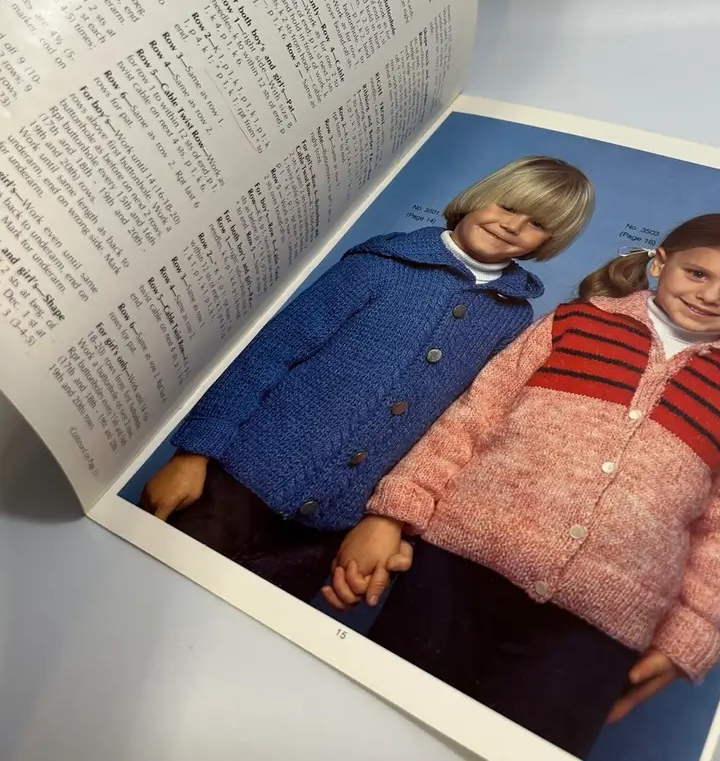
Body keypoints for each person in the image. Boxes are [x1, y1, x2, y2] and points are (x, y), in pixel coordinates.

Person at [324, 213, 720, 759]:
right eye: (697, 273)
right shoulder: (575, 323)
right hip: (455, 569)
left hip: (598, 626)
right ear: (660, 262)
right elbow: (471, 419)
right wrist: (391, 513)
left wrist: (692, 633)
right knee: (382, 728)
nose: (710, 296)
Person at [140, 155, 594, 603]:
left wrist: (397, 524)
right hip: (234, 482)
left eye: (536, 224)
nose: (512, 226)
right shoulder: (382, 263)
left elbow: (455, 425)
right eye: (508, 206)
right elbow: (270, 354)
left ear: (548, 242)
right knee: (152, 595)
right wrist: (193, 453)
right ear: (479, 197)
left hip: (334, 525)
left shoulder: (512, 317)